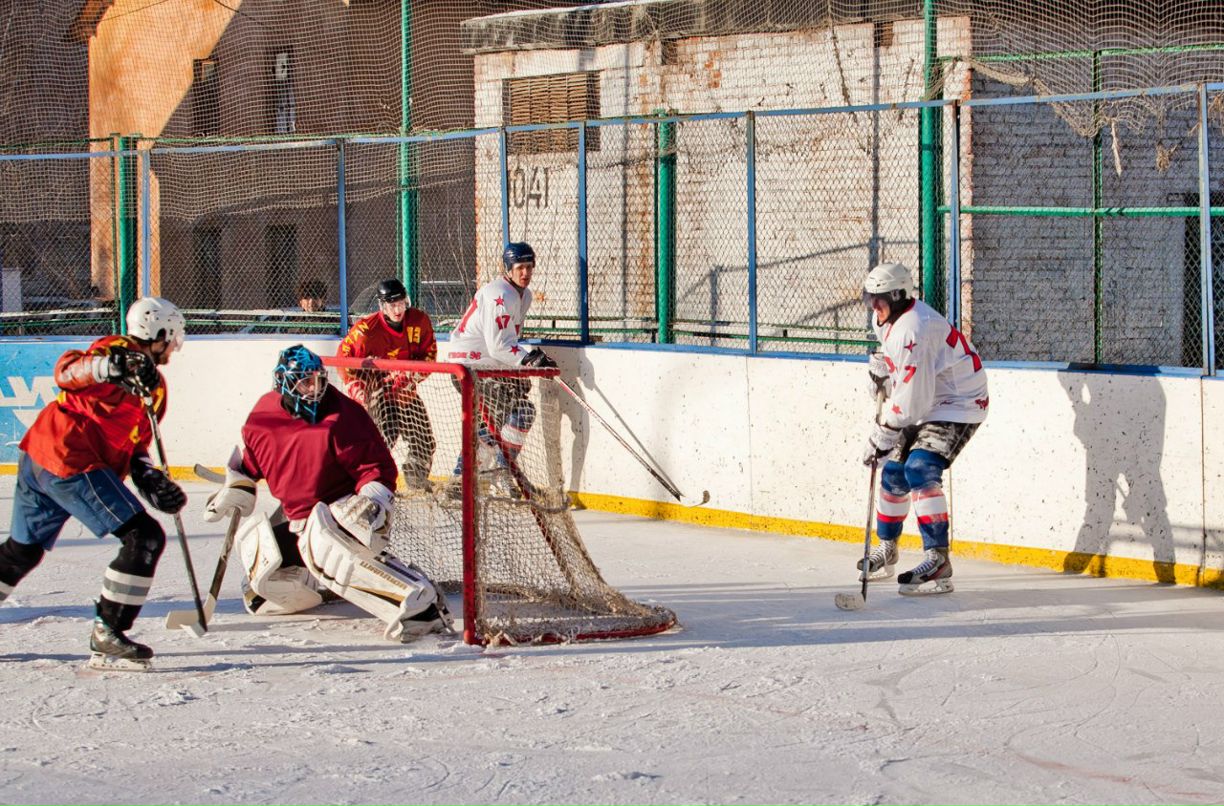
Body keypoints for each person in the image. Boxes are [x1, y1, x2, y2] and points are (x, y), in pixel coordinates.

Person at [203, 344, 451, 642]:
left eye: (320, 380)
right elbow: (252, 461)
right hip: (296, 518)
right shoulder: (263, 414)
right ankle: (310, 579)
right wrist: (236, 485)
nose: (316, 389)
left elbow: (377, 469)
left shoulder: (343, 416)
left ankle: (420, 604)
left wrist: (372, 502)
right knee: (261, 587)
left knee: (323, 539)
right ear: (284, 383)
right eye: (306, 382)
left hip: (337, 515)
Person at [0, 297, 187, 670]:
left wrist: (146, 474)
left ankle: (109, 631)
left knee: (22, 552)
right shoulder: (113, 351)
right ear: (161, 333)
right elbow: (67, 373)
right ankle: (109, 631)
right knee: (143, 538)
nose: (174, 348)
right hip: (71, 459)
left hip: (42, 455)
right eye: (172, 339)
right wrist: (110, 367)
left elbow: (135, 440)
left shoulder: (156, 388)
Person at [858, 263, 988, 595]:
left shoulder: (914, 328)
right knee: (893, 474)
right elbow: (902, 367)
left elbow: (912, 402)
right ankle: (888, 551)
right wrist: (883, 367)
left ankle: (938, 559)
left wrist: (883, 432)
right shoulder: (886, 317)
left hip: (960, 401)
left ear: (899, 295)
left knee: (920, 468)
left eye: (880, 299)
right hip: (930, 395)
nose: (874, 306)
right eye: (870, 298)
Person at [443, 242, 556, 498]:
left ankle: (460, 480)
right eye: (519, 267)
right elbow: (499, 346)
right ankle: (504, 475)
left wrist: (527, 360)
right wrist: (527, 360)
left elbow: (507, 342)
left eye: (529, 267)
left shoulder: (523, 295)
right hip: (470, 367)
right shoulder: (499, 294)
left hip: (488, 365)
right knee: (520, 412)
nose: (525, 273)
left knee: (497, 421)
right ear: (507, 269)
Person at [336, 278, 437, 490]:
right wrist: (357, 387)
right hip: (377, 393)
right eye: (392, 305)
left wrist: (410, 375)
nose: (398, 309)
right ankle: (369, 481)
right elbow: (343, 359)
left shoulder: (419, 321)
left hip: (404, 392)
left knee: (425, 441)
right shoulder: (365, 330)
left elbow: (430, 355)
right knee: (382, 438)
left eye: (401, 303)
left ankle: (415, 479)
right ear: (382, 306)